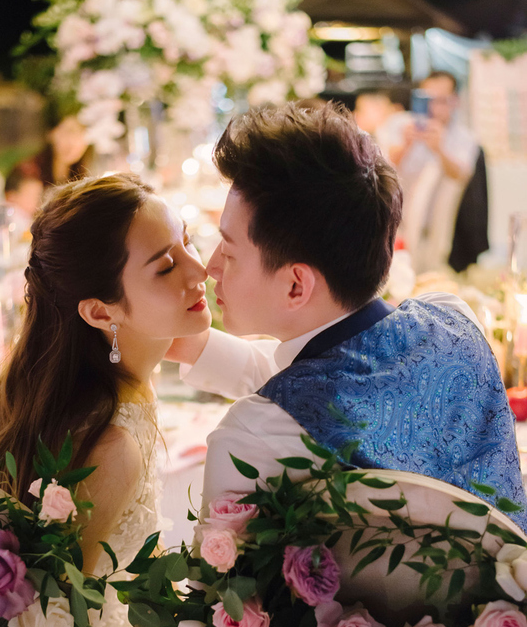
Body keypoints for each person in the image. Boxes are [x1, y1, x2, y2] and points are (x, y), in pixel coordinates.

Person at [168, 102, 527, 532]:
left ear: (296, 286)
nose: (210, 267)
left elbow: (216, 582)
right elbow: (340, 378)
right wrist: (194, 347)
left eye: (228, 251)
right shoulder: (455, 319)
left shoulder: (248, 439)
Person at [0, 174, 213, 627]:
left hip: (119, 616)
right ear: (101, 312)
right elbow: (46, 612)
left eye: (187, 243)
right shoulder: (112, 445)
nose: (199, 270)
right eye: (165, 266)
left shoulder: (104, 380)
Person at [381, 71, 479, 272]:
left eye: (441, 100)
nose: (433, 107)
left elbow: (461, 176)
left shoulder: (464, 137)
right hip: (394, 229)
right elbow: (381, 167)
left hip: (437, 236)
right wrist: (405, 146)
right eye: (426, 99)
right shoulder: (400, 124)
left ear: (455, 101)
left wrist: (440, 149)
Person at [27, 98, 93, 190]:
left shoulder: (84, 182)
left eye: (81, 134)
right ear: (50, 133)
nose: (73, 141)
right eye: (68, 131)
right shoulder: (30, 172)